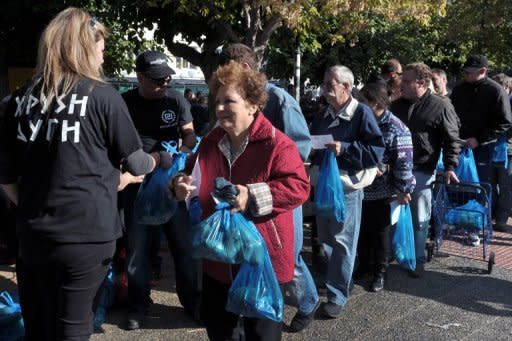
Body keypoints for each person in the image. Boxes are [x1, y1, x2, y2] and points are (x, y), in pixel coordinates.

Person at [0, 8, 158, 340]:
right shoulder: (103, 96)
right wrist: (155, 162)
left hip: (33, 234)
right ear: (84, 48)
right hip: (86, 234)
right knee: (73, 328)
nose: (102, 56)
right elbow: (135, 162)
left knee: (39, 325)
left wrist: (32, 204)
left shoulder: (18, 100)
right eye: (100, 48)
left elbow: (5, 177)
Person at [171, 61, 310, 340]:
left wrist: (251, 195)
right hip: (218, 258)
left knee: (262, 334)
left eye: (229, 101)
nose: (219, 107)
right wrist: (178, 184)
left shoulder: (277, 144)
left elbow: (298, 187)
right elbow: (190, 173)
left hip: (262, 261)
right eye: (217, 101)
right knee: (219, 328)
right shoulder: (210, 142)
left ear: (252, 104)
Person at [218, 43, 318, 333]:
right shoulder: (225, 100)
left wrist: (260, 173)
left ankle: (308, 301)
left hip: (278, 199)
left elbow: (300, 149)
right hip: (241, 203)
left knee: (288, 256)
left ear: (245, 69)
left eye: (228, 71)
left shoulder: (280, 100)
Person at [121, 50, 199, 329]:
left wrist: (182, 150)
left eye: (167, 77)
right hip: (136, 186)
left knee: (184, 248)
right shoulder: (124, 103)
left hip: (170, 185)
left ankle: (192, 302)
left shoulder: (176, 99)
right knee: (138, 252)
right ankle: (138, 306)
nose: (165, 82)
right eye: (157, 79)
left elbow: (189, 133)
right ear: (140, 77)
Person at [310, 65, 385, 318]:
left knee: (343, 242)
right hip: (323, 187)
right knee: (327, 239)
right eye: (324, 82)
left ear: (347, 86)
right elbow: (314, 144)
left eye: (330, 83)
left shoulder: (361, 113)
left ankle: (337, 294)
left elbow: (376, 152)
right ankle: (340, 280)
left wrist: (345, 148)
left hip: (347, 188)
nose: (325, 87)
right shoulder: (323, 115)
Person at [391, 62, 461, 277]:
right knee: (393, 214)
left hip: (422, 168)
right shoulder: (398, 105)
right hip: (395, 168)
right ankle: (394, 253)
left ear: (421, 83)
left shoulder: (440, 105)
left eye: (406, 81)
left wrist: (450, 166)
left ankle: (418, 258)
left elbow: (451, 138)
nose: (401, 84)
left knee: (419, 217)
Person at [355, 83, 416, 292]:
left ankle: (380, 273)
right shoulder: (362, 121)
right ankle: (363, 266)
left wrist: (403, 189)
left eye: (364, 102)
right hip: (361, 188)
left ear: (375, 103)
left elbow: (404, 162)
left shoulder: (396, 127)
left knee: (381, 234)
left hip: (384, 191)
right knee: (362, 231)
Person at [451, 55, 512, 233]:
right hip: (461, 145)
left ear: (483, 71)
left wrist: (480, 139)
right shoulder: (460, 90)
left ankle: (477, 226)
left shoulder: (495, 91)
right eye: (466, 72)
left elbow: (505, 122)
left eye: (471, 73)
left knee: (481, 187)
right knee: (460, 185)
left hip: (484, 148)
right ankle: (460, 222)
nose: (467, 76)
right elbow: (453, 115)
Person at [489, 73, 512, 232]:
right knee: (490, 184)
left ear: (506, 87)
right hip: (491, 149)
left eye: (496, 87)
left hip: (508, 151)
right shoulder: (492, 103)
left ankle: (502, 220)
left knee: (505, 187)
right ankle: (492, 215)